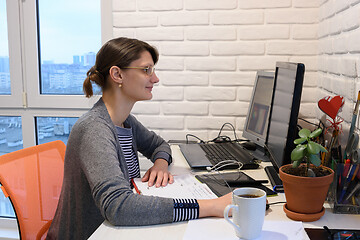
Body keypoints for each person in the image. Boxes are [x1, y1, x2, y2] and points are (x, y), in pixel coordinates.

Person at [47, 37, 232, 240]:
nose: (155, 79)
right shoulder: (94, 129)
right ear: (117, 74)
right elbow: (118, 207)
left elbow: (159, 145)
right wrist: (212, 206)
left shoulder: (125, 121)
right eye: (146, 70)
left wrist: (160, 165)